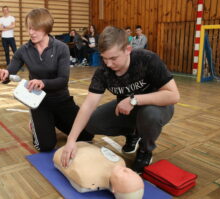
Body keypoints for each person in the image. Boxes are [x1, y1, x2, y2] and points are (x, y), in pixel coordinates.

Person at [61, 26, 180, 173]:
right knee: (91, 123)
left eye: (113, 58)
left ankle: (145, 150)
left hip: (157, 106)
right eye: (104, 58)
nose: (109, 64)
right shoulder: (104, 70)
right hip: (127, 108)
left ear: (127, 49)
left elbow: (173, 95)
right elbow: (88, 105)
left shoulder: (147, 59)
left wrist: (134, 99)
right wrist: (71, 140)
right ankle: (132, 133)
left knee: (150, 115)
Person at [0, 8, 93, 151]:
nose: (31, 32)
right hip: (39, 103)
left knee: (87, 135)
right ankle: (39, 121)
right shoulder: (23, 50)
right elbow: (10, 71)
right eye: (29, 28)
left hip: (62, 100)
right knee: (45, 146)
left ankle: (53, 120)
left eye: (36, 28)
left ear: (46, 28)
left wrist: (43, 82)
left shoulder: (61, 48)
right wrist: (4, 74)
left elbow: (63, 80)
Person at [54, 142, 144, 199]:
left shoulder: (87, 180)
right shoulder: (120, 162)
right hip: (80, 144)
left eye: (125, 177)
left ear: (114, 189)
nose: (127, 170)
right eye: (132, 172)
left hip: (64, 151)